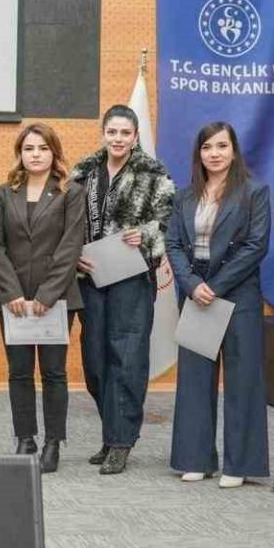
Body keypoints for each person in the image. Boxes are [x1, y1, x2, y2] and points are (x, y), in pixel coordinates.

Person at [70, 105, 175, 475]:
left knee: (127, 360)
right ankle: (111, 431)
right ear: (103, 133)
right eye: (112, 132)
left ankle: (121, 441)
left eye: (125, 133)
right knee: (95, 362)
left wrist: (144, 234)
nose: (118, 139)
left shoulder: (154, 173)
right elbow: (67, 223)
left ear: (135, 136)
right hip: (91, 276)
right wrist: (73, 255)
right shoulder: (83, 173)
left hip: (132, 277)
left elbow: (169, 222)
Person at [165, 121, 271, 488]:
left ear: (234, 150)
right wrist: (193, 285)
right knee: (194, 379)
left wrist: (215, 285)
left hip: (238, 296)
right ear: (199, 153)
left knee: (243, 380)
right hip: (196, 295)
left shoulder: (254, 192)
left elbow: (256, 246)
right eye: (207, 147)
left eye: (222, 146)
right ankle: (195, 458)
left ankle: (239, 464)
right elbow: (173, 244)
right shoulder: (184, 196)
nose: (215, 153)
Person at [0, 123, 87, 473]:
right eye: (29, 148)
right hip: (13, 300)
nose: (36, 154)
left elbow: (71, 246)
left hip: (56, 299)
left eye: (43, 148)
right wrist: (11, 291)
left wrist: (47, 294)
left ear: (54, 153)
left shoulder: (71, 193)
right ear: (20, 154)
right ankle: (25, 438)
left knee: (54, 373)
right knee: (19, 372)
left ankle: (52, 443)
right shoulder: (4, 193)